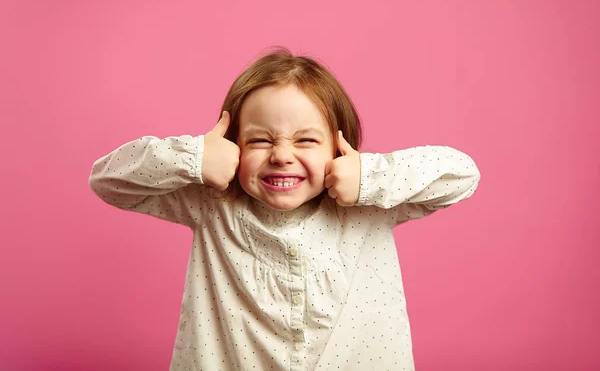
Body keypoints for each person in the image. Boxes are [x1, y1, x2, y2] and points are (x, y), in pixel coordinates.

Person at [89, 47, 480, 370]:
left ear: (338, 146)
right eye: (259, 141)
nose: (281, 156)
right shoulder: (212, 203)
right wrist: (192, 158)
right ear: (233, 145)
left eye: (306, 140)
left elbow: (462, 175)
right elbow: (108, 181)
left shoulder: (370, 203)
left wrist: (370, 175)